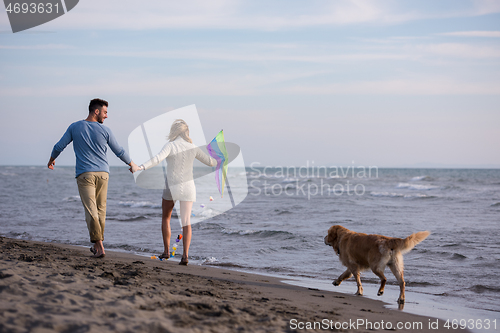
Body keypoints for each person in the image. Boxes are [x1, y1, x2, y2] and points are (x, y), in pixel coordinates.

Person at [48, 98, 139, 258]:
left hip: (85, 174)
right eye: (105, 112)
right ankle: (98, 246)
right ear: (96, 111)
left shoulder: (75, 127)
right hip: (103, 174)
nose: (106, 116)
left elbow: (59, 146)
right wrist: (132, 164)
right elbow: (119, 150)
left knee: (91, 210)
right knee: (100, 210)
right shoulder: (106, 131)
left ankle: (99, 246)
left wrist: (51, 159)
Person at [133, 119, 216, 265]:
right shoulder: (193, 147)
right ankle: (185, 256)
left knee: (166, 218)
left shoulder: (171, 146)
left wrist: (141, 167)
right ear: (187, 132)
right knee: (186, 222)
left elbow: (157, 159)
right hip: (188, 188)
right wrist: (218, 157)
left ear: (174, 131)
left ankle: (166, 252)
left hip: (172, 186)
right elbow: (210, 162)